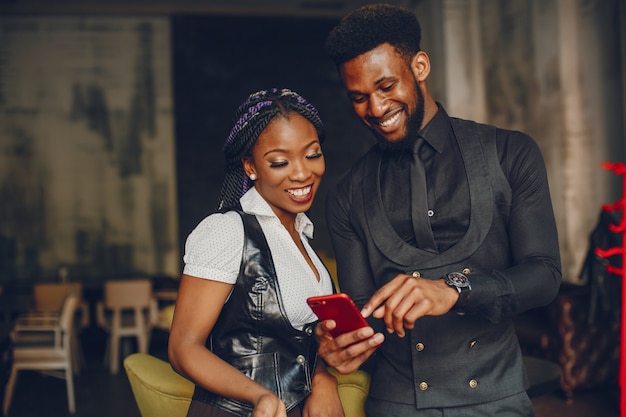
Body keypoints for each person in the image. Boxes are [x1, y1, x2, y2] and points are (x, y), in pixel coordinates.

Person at [315, 4, 562, 417]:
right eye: (359, 98)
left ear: (420, 66)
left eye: (387, 86)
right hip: (396, 405)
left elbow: (544, 275)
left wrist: (455, 289)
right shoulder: (346, 195)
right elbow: (365, 315)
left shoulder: (511, 153)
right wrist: (336, 350)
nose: (375, 109)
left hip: (498, 401)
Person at [169, 88, 343, 417]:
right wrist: (258, 396)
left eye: (312, 154)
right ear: (250, 166)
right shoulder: (227, 230)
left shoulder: (302, 236)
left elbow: (295, 345)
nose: (302, 172)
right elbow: (182, 349)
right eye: (280, 161)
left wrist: (322, 379)